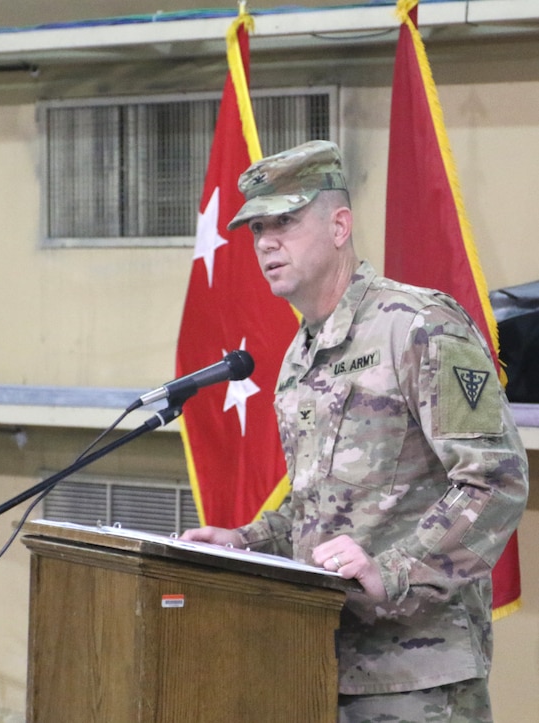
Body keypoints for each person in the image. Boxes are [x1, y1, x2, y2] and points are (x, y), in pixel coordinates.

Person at [180, 140, 529, 722]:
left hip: (415, 678)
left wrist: (390, 569)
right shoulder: (300, 355)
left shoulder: (416, 325)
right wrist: (246, 541)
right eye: (256, 228)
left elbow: (496, 481)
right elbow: (318, 505)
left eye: (285, 221)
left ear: (340, 224)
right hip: (316, 665)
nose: (266, 241)